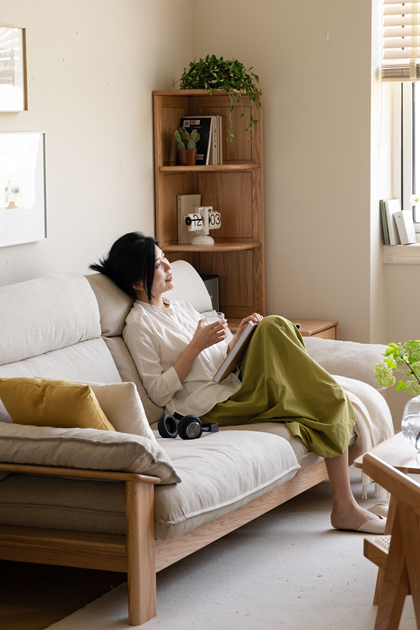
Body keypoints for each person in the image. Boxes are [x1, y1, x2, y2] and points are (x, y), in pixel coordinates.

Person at [90, 231, 386, 534]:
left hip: (231, 384)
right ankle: (345, 508)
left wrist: (238, 338)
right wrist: (195, 346)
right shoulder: (139, 326)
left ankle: (345, 501)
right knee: (325, 397)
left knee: (272, 325)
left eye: (165, 258)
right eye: (157, 264)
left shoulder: (181, 307)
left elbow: (220, 358)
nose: (168, 266)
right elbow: (157, 392)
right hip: (206, 407)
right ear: (137, 283)